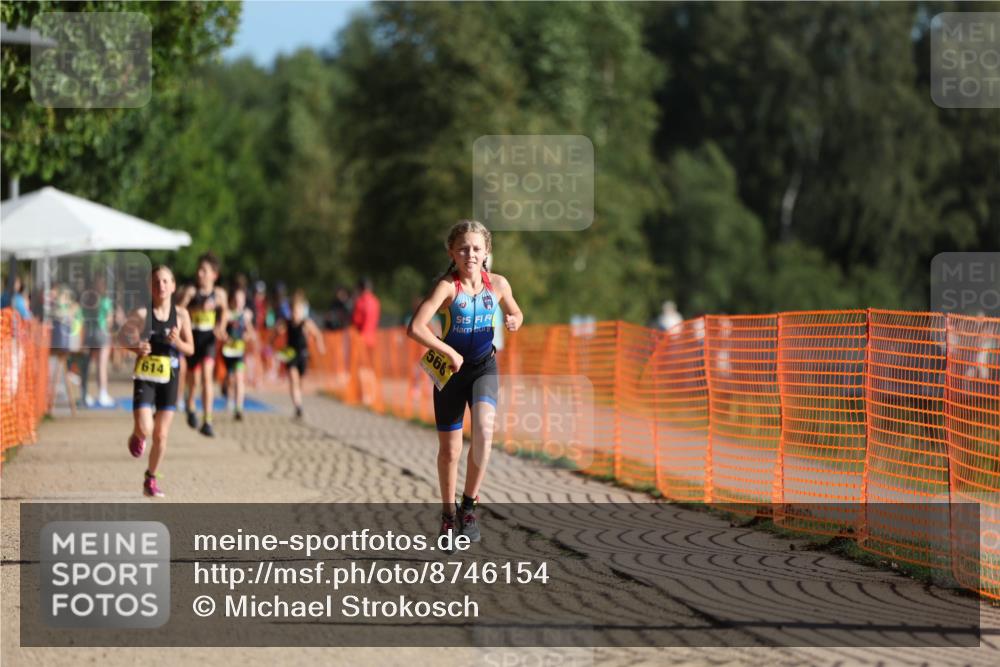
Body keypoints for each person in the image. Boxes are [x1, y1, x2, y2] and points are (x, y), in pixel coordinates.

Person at [407, 220, 523, 547]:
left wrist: (514, 319)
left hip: (484, 368)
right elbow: (415, 328)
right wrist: (448, 351)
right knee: (450, 451)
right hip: (451, 373)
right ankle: (448, 514)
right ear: (452, 253)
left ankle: (469, 507)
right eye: (463, 249)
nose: (470, 254)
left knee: (485, 432)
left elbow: (517, 312)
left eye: (476, 249)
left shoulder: (498, 284)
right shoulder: (447, 287)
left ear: (486, 252)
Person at [120, 265, 194, 497]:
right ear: (149, 287)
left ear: (172, 286)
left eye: (165, 281)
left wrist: (177, 343)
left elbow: (190, 349)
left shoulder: (181, 315)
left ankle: (150, 478)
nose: (160, 285)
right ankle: (137, 434)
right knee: (146, 428)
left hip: (169, 378)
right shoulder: (143, 313)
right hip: (146, 376)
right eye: (156, 282)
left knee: (161, 435)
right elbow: (121, 336)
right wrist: (136, 347)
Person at [178, 252, 228, 437]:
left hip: (208, 340)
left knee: (207, 377)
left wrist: (221, 327)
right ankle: (190, 405)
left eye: (204, 270)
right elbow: (178, 310)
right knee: (194, 382)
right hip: (193, 340)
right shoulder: (191, 292)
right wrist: (195, 306)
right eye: (199, 269)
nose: (200, 273)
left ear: (214, 274)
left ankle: (207, 420)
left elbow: (225, 312)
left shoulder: (220, 294)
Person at [273, 290, 326, 418]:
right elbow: (276, 333)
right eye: (293, 311)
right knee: (293, 378)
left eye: (297, 311)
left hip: (303, 354)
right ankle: (298, 406)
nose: (295, 314)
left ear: (302, 311)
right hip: (290, 354)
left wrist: (320, 347)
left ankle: (298, 398)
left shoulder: (306, 323)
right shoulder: (287, 323)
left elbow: (317, 334)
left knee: (300, 381)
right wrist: (273, 340)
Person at [80, 273, 115, 407]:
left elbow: (82, 317)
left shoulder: (88, 300)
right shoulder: (106, 301)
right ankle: (102, 394)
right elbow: (109, 320)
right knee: (102, 365)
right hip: (102, 332)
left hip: (89, 332)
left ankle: (84, 394)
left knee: (86, 365)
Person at [222, 284, 255, 420]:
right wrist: (226, 338)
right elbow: (221, 330)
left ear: (244, 301)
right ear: (232, 300)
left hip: (239, 352)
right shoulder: (227, 314)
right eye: (236, 299)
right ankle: (229, 397)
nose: (238, 302)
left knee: (239, 378)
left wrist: (246, 336)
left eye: (241, 299)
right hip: (228, 352)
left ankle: (239, 408)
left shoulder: (245, 316)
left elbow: (250, 332)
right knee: (230, 379)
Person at [352, 277, 381, 405]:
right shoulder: (375, 301)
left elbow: (356, 321)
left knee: (362, 367)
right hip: (373, 337)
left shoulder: (360, 302)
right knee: (370, 367)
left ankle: (365, 396)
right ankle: (373, 393)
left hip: (362, 338)